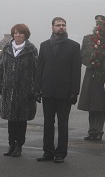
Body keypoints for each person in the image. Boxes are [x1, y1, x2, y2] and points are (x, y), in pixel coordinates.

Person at [33, 17, 81, 163]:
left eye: (63, 25)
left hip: (65, 92)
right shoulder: (44, 45)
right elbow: (40, 68)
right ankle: (48, 152)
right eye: (58, 25)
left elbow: (76, 71)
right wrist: (36, 89)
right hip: (47, 90)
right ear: (52, 28)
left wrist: (75, 92)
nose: (61, 27)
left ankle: (60, 153)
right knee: (48, 123)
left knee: (63, 124)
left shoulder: (73, 46)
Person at [0, 23, 38, 157]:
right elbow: (0, 67)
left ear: (25, 35)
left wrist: (35, 88)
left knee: (21, 120)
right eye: (16, 33)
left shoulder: (31, 49)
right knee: (11, 119)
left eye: (21, 33)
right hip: (9, 89)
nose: (18, 35)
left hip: (25, 90)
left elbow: (36, 70)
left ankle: (19, 145)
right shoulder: (6, 48)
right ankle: (11, 144)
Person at [78, 15, 105, 141]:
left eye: (101, 23)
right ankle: (92, 130)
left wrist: (104, 65)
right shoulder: (88, 38)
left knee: (101, 105)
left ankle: (98, 130)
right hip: (91, 74)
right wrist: (91, 63)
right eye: (97, 23)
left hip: (104, 75)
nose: (99, 25)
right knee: (91, 104)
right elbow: (83, 54)